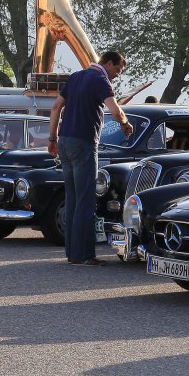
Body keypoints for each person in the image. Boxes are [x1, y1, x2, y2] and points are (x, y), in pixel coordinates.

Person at [48, 51, 133, 265]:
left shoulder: (75, 76)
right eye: (118, 69)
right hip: (84, 142)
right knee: (86, 201)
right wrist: (125, 123)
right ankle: (85, 255)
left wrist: (52, 138)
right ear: (109, 63)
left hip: (64, 141)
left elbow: (56, 107)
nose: (117, 74)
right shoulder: (101, 80)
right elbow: (115, 110)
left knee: (72, 199)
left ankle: (72, 254)